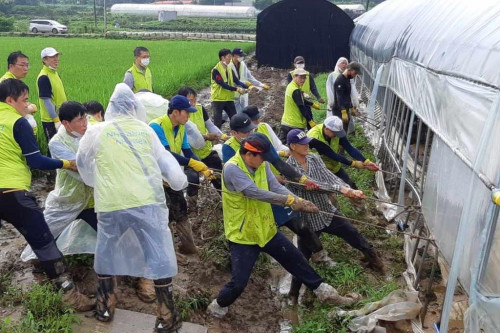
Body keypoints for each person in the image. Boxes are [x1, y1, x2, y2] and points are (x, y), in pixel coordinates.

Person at [207, 133, 360, 318]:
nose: (265, 161)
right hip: (244, 235)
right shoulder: (233, 168)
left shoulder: (261, 164)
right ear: (249, 154)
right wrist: (289, 201)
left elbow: (275, 186)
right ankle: (217, 306)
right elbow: (253, 192)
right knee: (239, 282)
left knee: (297, 261)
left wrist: (299, 200)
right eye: (262, 157)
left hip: (265, 228)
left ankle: (325, 292)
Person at [77, 83, 187, 332]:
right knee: (158, 255)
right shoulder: (145, 131)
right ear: (133, 107)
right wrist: (179, 182)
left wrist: (96, 181)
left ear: (111, 107)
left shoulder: (97, 132)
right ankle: (166, 317)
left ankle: (105, 307)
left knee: (106, 252)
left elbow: (83, 163)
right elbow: (171, 170)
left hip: (111, 204)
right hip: (146, 203)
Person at [0, 78, 93, 311]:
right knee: (45, 243)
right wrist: (65, 163)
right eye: (24, 100)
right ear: (10, 100)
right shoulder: (17, 122)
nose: (27, 105)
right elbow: (36, 161)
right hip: (11, 191)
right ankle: (70, 297)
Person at [285, 129, 385, 302]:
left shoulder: (314, 159)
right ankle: (293, 294)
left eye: (307, 142)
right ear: (293, 146)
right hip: (308, 221)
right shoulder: (288, 169)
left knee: (353, 233)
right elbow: (315, 185)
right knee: (302, 259)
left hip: (327, 211)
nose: (307, 146)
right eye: (303, 144)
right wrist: (343, 190)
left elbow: (329, 177)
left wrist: (349, 189)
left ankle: (376, 262)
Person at [149, 95, 214, 255]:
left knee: (181, 210)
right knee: (164, 215)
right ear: (176, 112)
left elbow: (187, 151)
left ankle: (188, 247)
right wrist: (192, 163)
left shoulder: (182, 127)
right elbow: (166, 154)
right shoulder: (156, 126)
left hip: (170, 177)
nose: (189, 116)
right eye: (187, 112)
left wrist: (202, 166)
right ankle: (169, 253)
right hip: (155, 178)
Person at [177, 86, 225, 208]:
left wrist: (222, 136)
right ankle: (192, 206)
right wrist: (205, 137)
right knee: (193, 181)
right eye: (190, 100)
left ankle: (226, 201)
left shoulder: (199, 109)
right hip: (189, 156)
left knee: (218, 175)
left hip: (205, 151)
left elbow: (210, 126)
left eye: (194, 100)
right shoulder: (177, 116)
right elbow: (184, 138)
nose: (193, 103)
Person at [307, 116, 379, 189]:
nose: (337, 136)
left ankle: (357, 199)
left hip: (333, 165)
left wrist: (366, 161)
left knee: (351, 186)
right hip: (319, 168)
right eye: (335, 134)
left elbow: (349, 147)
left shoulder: (336, 132)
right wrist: (354, 163)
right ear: (327, 129)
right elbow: (332, 155)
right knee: (329, 192)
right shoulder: (314, 138)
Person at [210, 48, 249, 129]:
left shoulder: (229, 69)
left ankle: (237, 137)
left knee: (234, 119)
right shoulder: (216, 70)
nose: (230, 58)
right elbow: (223, 84)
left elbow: (237, 81)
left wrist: (249, 87)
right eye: (228, 56)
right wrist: (237, 89)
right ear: (222, 58)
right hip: (218, 100)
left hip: (228, 99)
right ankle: (215, 140)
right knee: (218, 122)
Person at [1, 51, 38, 134]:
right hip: (12, 127)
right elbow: (15, 108)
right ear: (11, 66)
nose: (26, 68)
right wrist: (32, 108)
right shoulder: (7, 83)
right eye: (22, 65)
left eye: (27, 65)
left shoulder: (14, 81)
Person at [279, 68, 320, 143]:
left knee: (283, 145)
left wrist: (312, 104)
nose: (303, 80)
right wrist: (310, 120)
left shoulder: (291, 86)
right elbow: (302, 107)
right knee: (298, 146)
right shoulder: (295, 90)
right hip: (294, 124)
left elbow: (300, 100)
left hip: (286, 122)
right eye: (300, 77)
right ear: (294, 76)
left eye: (304, 78)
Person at [37, 47, 67, 143]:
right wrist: (56, 120)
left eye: (57, 56)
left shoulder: (55, 73)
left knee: (63, 149)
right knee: (53, 150)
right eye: (52, 57)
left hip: (62, 118)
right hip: (51, 121)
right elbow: (47, 101)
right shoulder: (44, 77)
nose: (56, 59)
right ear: (44, 60)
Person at [229, 48, 269, 113]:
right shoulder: (228, 66)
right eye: (240, 56)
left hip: (244, 93)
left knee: (244, 112)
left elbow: (250, 77)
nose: (242, 57)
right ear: (235, 55)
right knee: (230, 115)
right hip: (233, 94)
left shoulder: (242, 64)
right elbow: (230, 81)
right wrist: (245, 83)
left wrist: (261, 84)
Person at [333, 61, 361, 132]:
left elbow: (347, 96)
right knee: (339, 131)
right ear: (350, 70)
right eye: (355, 73)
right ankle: (339, 143)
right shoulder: (340, 80)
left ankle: (343, 142)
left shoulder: (347, 79)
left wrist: (351, 108)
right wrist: (343, 111)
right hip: (339, 110)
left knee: (344, 130)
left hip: (345, 109)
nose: (355, 76)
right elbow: (340, 97)